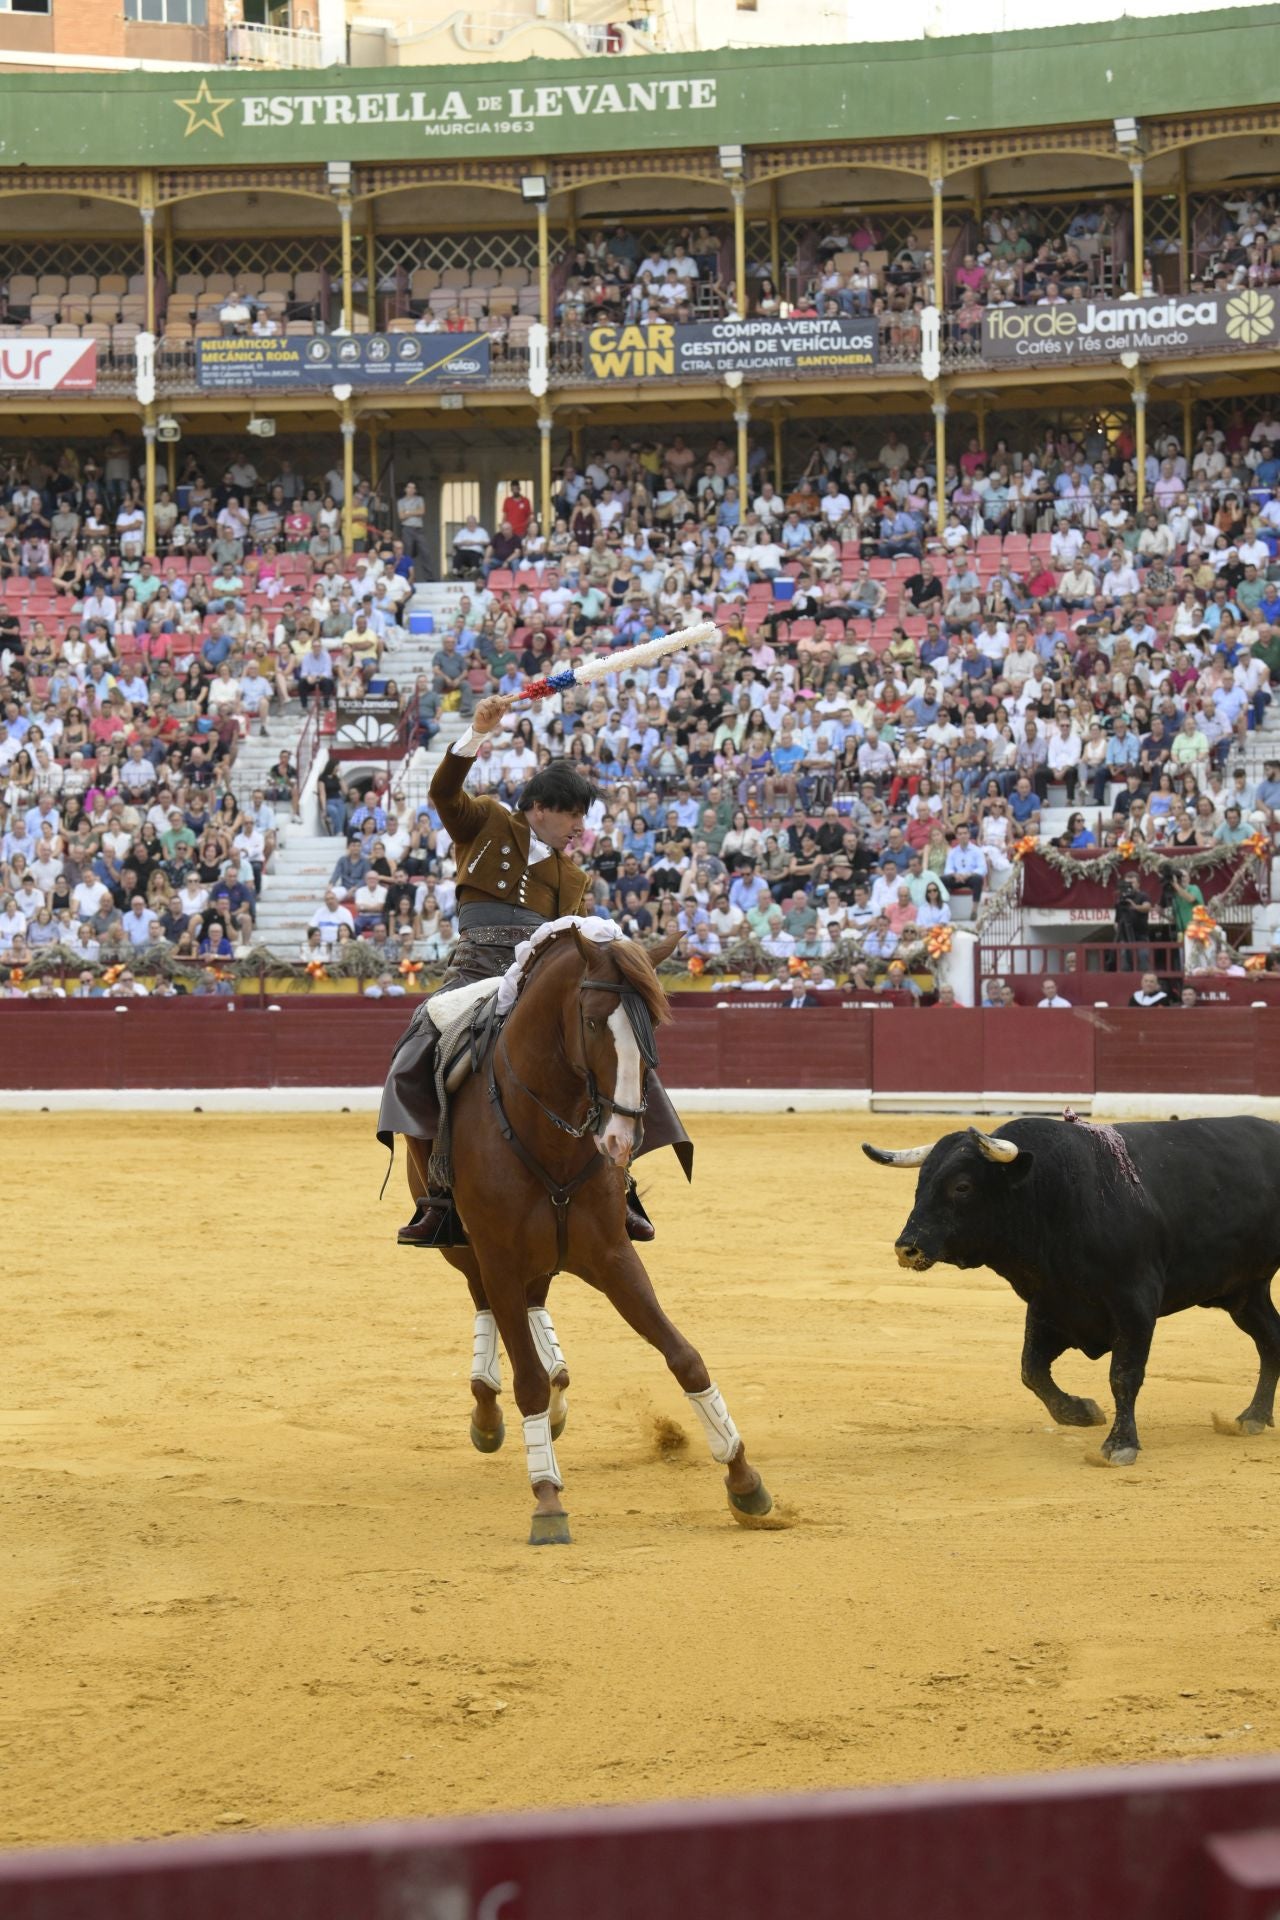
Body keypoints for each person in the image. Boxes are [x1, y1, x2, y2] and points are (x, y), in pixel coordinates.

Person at [379, 693, 691, 1249]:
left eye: (582, 817)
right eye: (572, 814)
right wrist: (476, 733)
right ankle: (437, 1197)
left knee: (619, 1052)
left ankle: (624, 1186)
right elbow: (443, 794)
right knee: (419, 1045)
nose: (578, 827)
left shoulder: (575, 880)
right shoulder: (490, 823)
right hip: (474, 968)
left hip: (531, 980)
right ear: (540, 807)